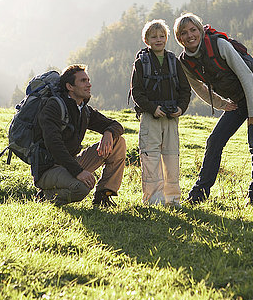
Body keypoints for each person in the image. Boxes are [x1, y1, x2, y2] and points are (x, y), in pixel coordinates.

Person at [173, 13, 253, 205]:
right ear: (179, 38)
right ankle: (198, 195)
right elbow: (198, 88)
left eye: (193, 30)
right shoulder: (185, 61)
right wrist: (221, 104)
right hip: (237, 99)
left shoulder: (219, 45)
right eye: (184, 33)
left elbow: (246, 75)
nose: (190, 35)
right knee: (214, 141)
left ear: (200, 31)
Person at [33, 64, 126, 206]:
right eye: (83, 81)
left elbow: (117, 125)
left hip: (70, 163)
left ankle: (103, 195)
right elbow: (54, 145)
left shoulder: (84, 110)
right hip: (49, 169)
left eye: (88, 80)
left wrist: (108, 132)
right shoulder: (54, 107)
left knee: (118, 142)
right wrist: (78, 172)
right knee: (81, 188)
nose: (89, 85)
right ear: (70, 86)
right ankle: (44, 197)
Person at [130, 19, 191, 205]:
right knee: (150, 158)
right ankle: (153, 200)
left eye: (162, 36)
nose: (159, 39)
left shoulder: (174, 61)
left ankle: (172, 200)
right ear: (146, 40)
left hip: (171, 117)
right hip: (151, 117)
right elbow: (136, 92)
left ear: (167, 38)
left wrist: (181, 108)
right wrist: (152, 108)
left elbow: (185, 89)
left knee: (172, 158)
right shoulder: (141, 63)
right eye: (154, 37)